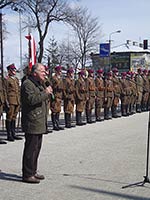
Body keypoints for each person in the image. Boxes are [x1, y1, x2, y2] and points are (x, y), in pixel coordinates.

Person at [21, 63, 53, 184]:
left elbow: (48, 85)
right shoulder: (27, 84)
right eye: (42, 71)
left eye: (45, 71)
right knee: (31, 149)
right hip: (32, 121)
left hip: (39, 121)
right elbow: (31, 100)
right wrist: (45, 93)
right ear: (34, 73)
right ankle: (27, 174)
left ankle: (33, 171)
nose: (45, 73)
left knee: (36, 148)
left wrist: (46, 78)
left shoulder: (39, 82)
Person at [4, 64, 22, 141]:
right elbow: (5, 91)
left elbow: (18, 90)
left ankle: (13, 133)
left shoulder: (16, 80)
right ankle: (9, 134)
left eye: (15, 70)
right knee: (9, 117)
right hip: (11, 100)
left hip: (17, 100)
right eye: (13, 70)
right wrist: (6, 101)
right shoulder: (7, 80)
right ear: (9, 71)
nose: (14, 71)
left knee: (14, 117)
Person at [50, 66, 64, 131]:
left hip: (59, 96)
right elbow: (52, 87)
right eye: (59, 71)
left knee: (58, 110)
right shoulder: (53, 78)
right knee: (54, 111)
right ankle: (54, 125)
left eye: (60, 71)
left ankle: (57, 123)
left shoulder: (60, 78)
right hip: (55, 96)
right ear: (56, 71)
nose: (60, 72)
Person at [0, 78, 7, 144]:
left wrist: (4, 100)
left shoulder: (1, 79)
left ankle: (12, 133)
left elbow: (4, 90)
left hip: (1, 102)